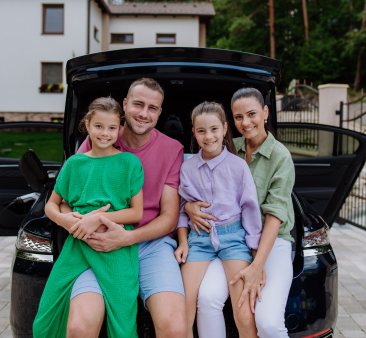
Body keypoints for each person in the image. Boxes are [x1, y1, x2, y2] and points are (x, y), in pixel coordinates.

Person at [55, 78, 187, 338]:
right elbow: (66, 198)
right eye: (138, 104)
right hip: (98, 245)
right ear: (125, 105)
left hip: (151, 247)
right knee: (79, 327)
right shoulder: (99, 138)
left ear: (160, 112)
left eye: (152, 108)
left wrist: (126, 238)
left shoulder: (172, 150)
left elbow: (169, 218)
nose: (143, 113)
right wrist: (77, 221)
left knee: (175, 328)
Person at [185, 87, 296, 338]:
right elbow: (199, 185)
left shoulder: (280, 156)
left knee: (266, 322)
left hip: (271, 242)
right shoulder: (228, 146)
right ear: (229, 123)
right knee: (208, 298)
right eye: (238, 117)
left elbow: (275, 215)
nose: (245, 123)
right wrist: (189, 207)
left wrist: (257, 264)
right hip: (233, 239)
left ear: (265, 112)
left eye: (252, 114)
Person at [33, 97, 144, 338]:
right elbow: (51, 205)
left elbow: (136, 212)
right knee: (45, 317)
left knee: (123, 322)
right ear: (87, 125)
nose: (105, 133)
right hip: (77, 245)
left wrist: (98, 220)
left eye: (112, 128)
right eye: (99, 126)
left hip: (114, 249)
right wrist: (67, 221)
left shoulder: (129, 163)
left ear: (120, 128)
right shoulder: (75, 163)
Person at [174, 102, 262, 338]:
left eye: (214, 129)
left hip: (233, 238)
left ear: (224, 129)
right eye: (201, 131)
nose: (208, 136)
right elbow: (183, 209)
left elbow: (250, 210)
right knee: (183, 307)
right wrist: (183, 242)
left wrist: (256, 260)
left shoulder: (238, 166)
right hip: (200, 239)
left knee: (244, 312)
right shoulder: (188, 168)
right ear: (194, 132)